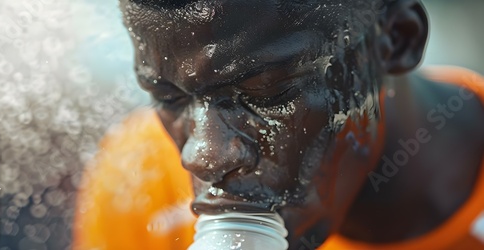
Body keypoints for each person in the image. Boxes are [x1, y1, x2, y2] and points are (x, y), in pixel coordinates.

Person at [73, 0, 484, 249]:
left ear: (396, 37)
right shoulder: (139, 182)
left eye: (267, 93)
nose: (203, 156)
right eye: (169, 97)